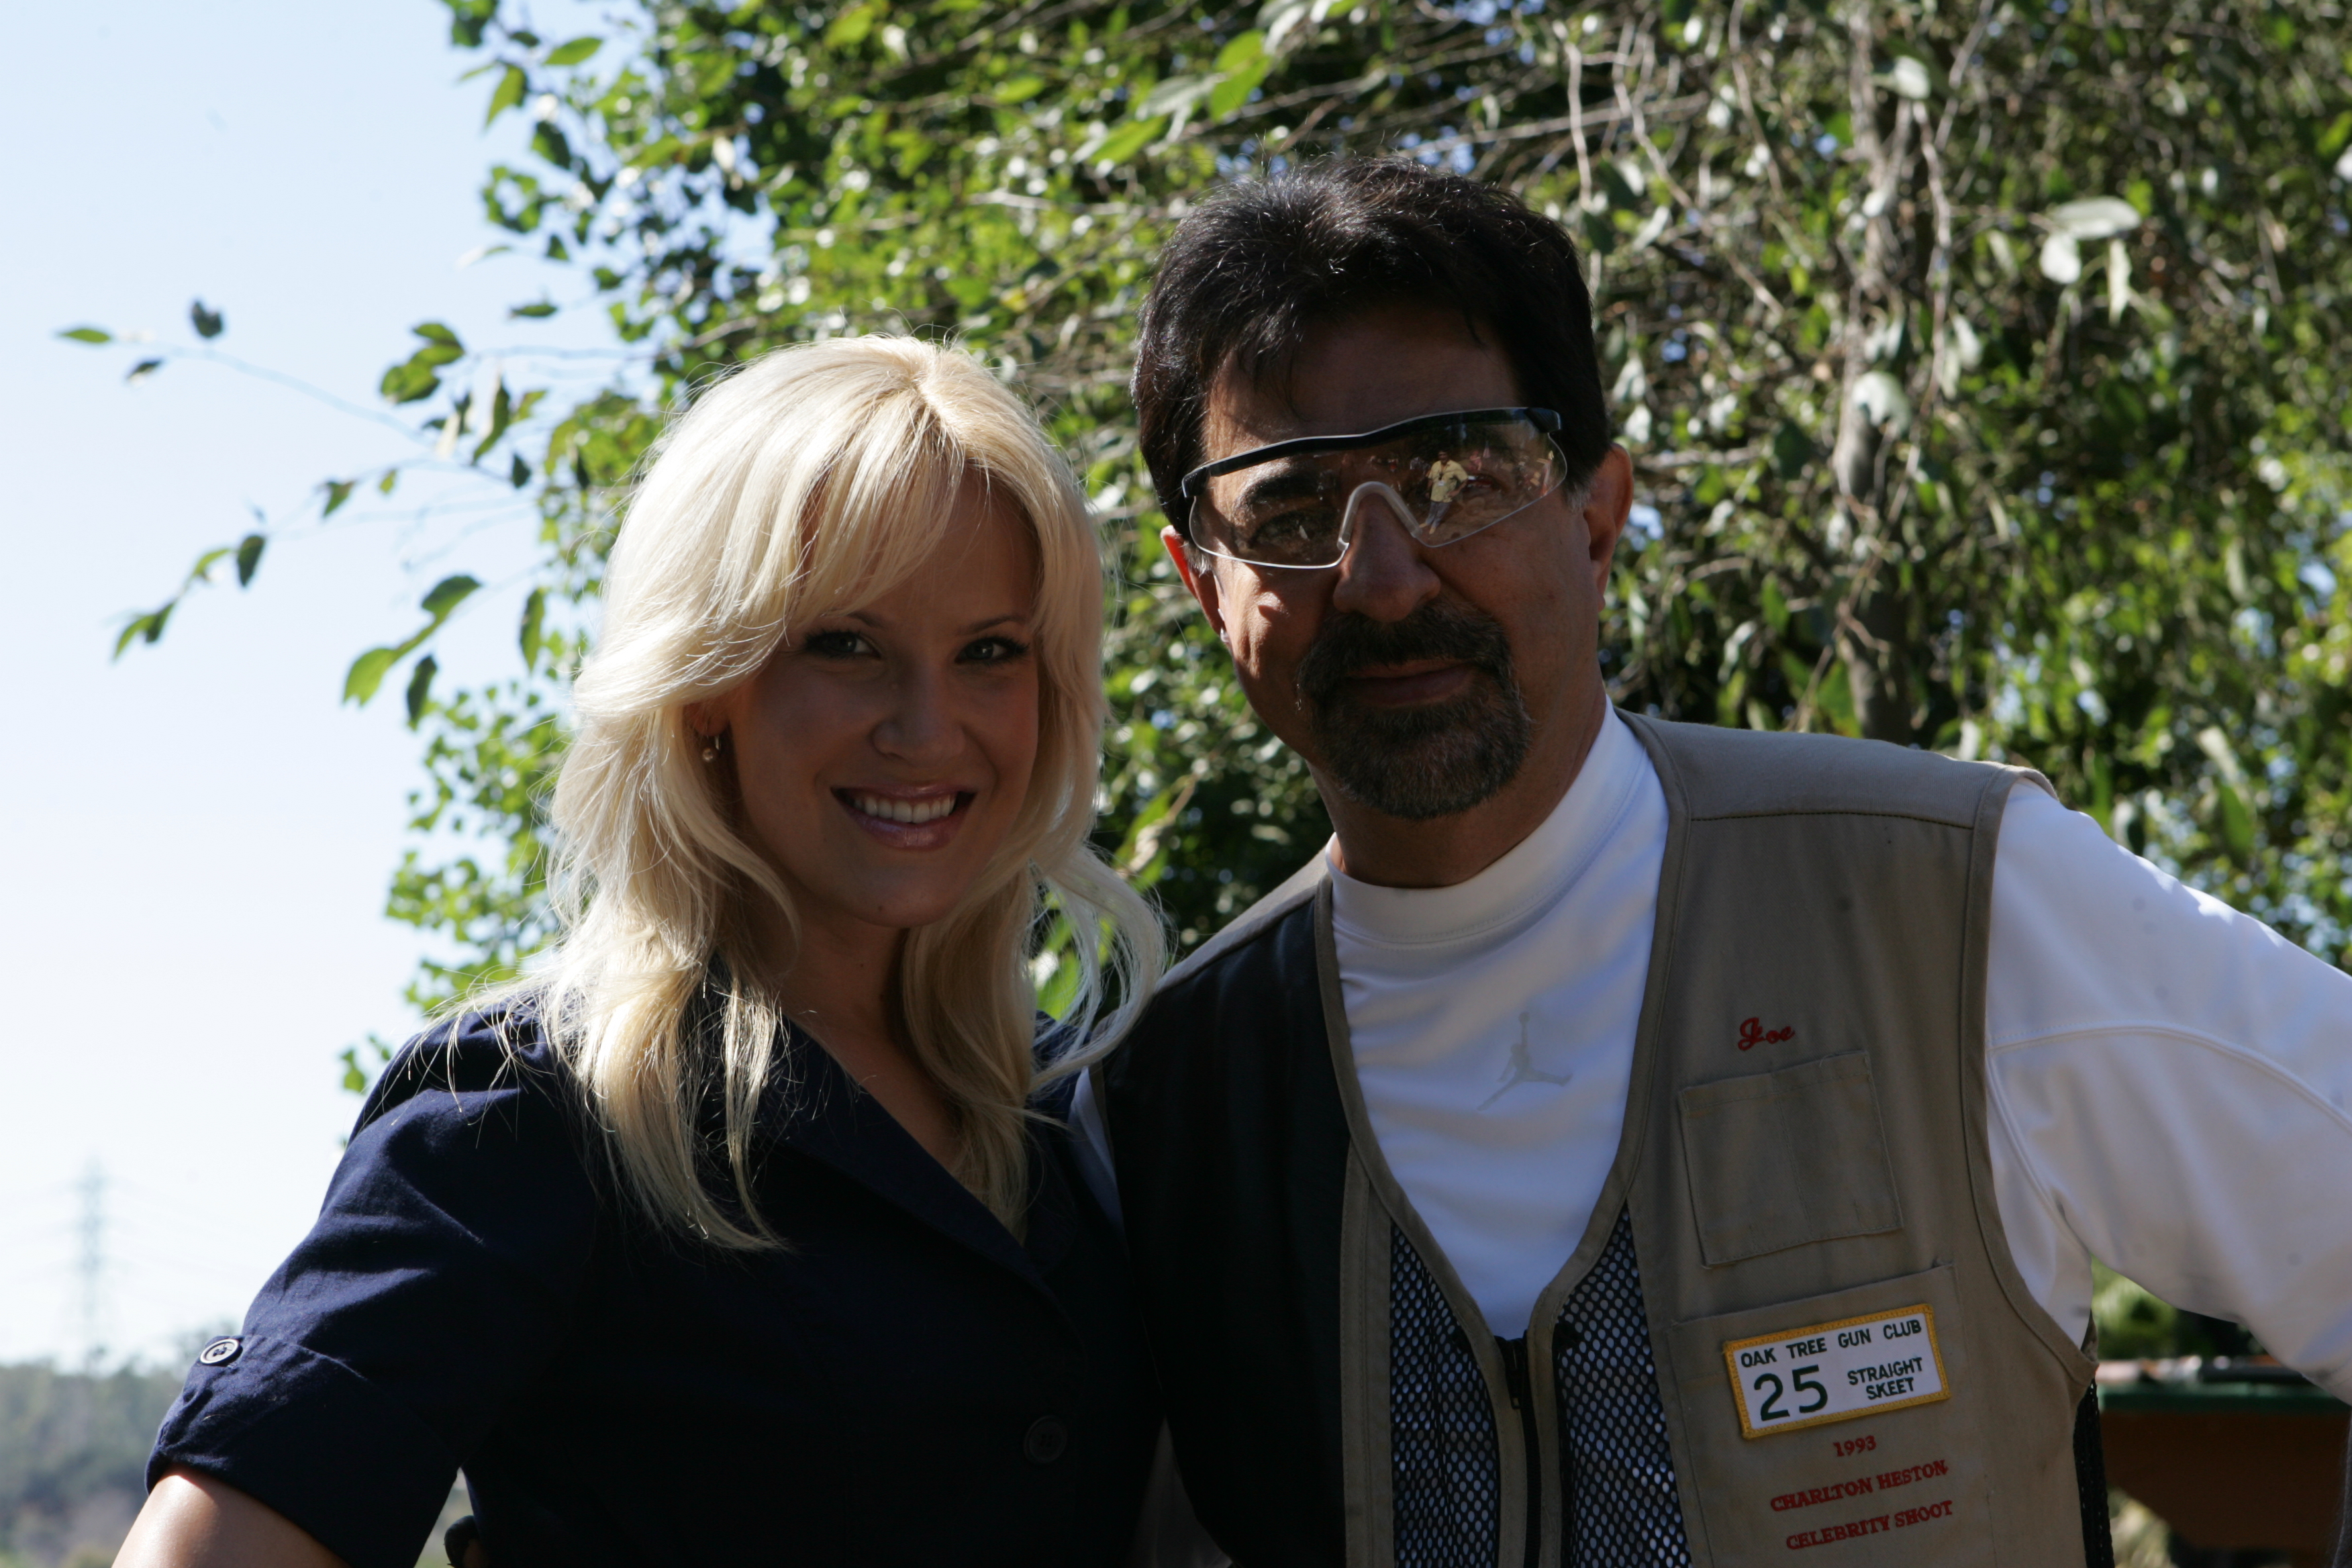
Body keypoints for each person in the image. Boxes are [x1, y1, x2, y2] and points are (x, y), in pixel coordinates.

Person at [1079, 158, 2352, 1566]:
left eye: (1460, 475)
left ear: (1597, 513)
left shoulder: (1955, 904)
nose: (1387, 577)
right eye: (1296, 509)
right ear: (1205, 582)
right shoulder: (1164, 1102)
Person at [120, 336, 1167, 1568]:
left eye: (989, 652)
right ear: (706, 688)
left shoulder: (1075, 1114)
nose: (927, 727)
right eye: (845, 643)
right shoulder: (539, 1111)